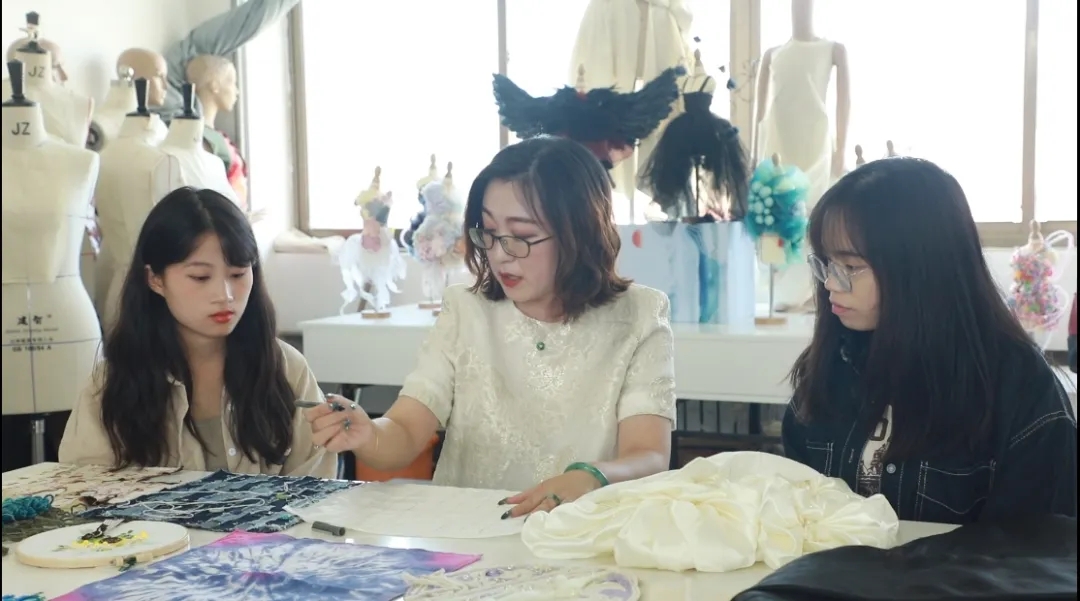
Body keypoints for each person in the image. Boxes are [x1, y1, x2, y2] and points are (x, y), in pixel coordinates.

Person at [306, 136, 675, 517]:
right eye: (489, 233)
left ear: (580, 233)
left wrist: (592, 476)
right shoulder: (466, 311)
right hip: (468, 531)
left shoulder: (639, 314)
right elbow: (406, 430)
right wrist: (369, 434)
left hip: (581, 529)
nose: (499, 255)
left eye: (522, 237)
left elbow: (648, 455)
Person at [783, 157, 1077, 525]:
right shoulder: (832, 365)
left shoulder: (1019, 389)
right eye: (826, 263)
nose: (829, 282)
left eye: (850, 267)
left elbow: (1039, 548)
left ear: (921, 266)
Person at [59, 187, 336, 479]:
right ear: (155, 279)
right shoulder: (112, 384)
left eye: (238, 274)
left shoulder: (286, 369)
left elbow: (318, 488)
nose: (225, 295)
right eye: (200, 277)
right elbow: (83, 489)